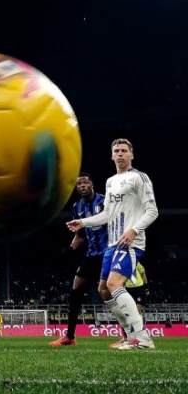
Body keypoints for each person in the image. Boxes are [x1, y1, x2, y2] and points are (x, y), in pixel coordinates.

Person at [67, 138, 158, 350]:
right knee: (104, 289)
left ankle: (143, 338)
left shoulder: (139, 178)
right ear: (111, 155)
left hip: (130, 242)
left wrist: (134, 230)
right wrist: (83, 222)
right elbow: (107, 214)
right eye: (116, 151)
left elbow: (152, 211)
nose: (120, 154)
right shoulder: (110, 182)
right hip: (112, 244)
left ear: (131, 155)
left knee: (114, 284)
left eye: (124, 151)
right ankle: (128, 336)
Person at [49, 173, 107, 347]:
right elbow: (80, 236)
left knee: (110, 292)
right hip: (91, 255)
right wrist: (69, 249)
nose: (82, 186)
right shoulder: (77, 207)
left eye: (85, 183)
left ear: (92, 185)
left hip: (107, 254)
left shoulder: (105, 201)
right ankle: (70, 336)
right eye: (79, 184)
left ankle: (129, 334)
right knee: (75, 291)